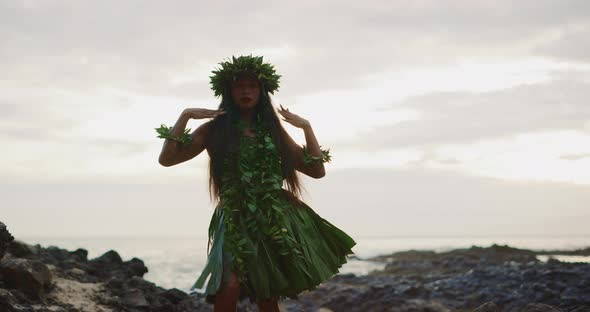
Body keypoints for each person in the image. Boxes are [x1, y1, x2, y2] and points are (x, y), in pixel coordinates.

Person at [157, 55, 356, 312]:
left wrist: (306, 127)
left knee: (267, 292)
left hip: (273, 217)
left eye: (252, 86)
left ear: (262, 92)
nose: (246, 91)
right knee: (228, 286)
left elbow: (316, 170)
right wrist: (184, 117)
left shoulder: (273, 132)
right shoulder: (213, 130)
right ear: (229, 92)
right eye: (239, 86)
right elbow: (167, 159)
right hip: (233, 216)